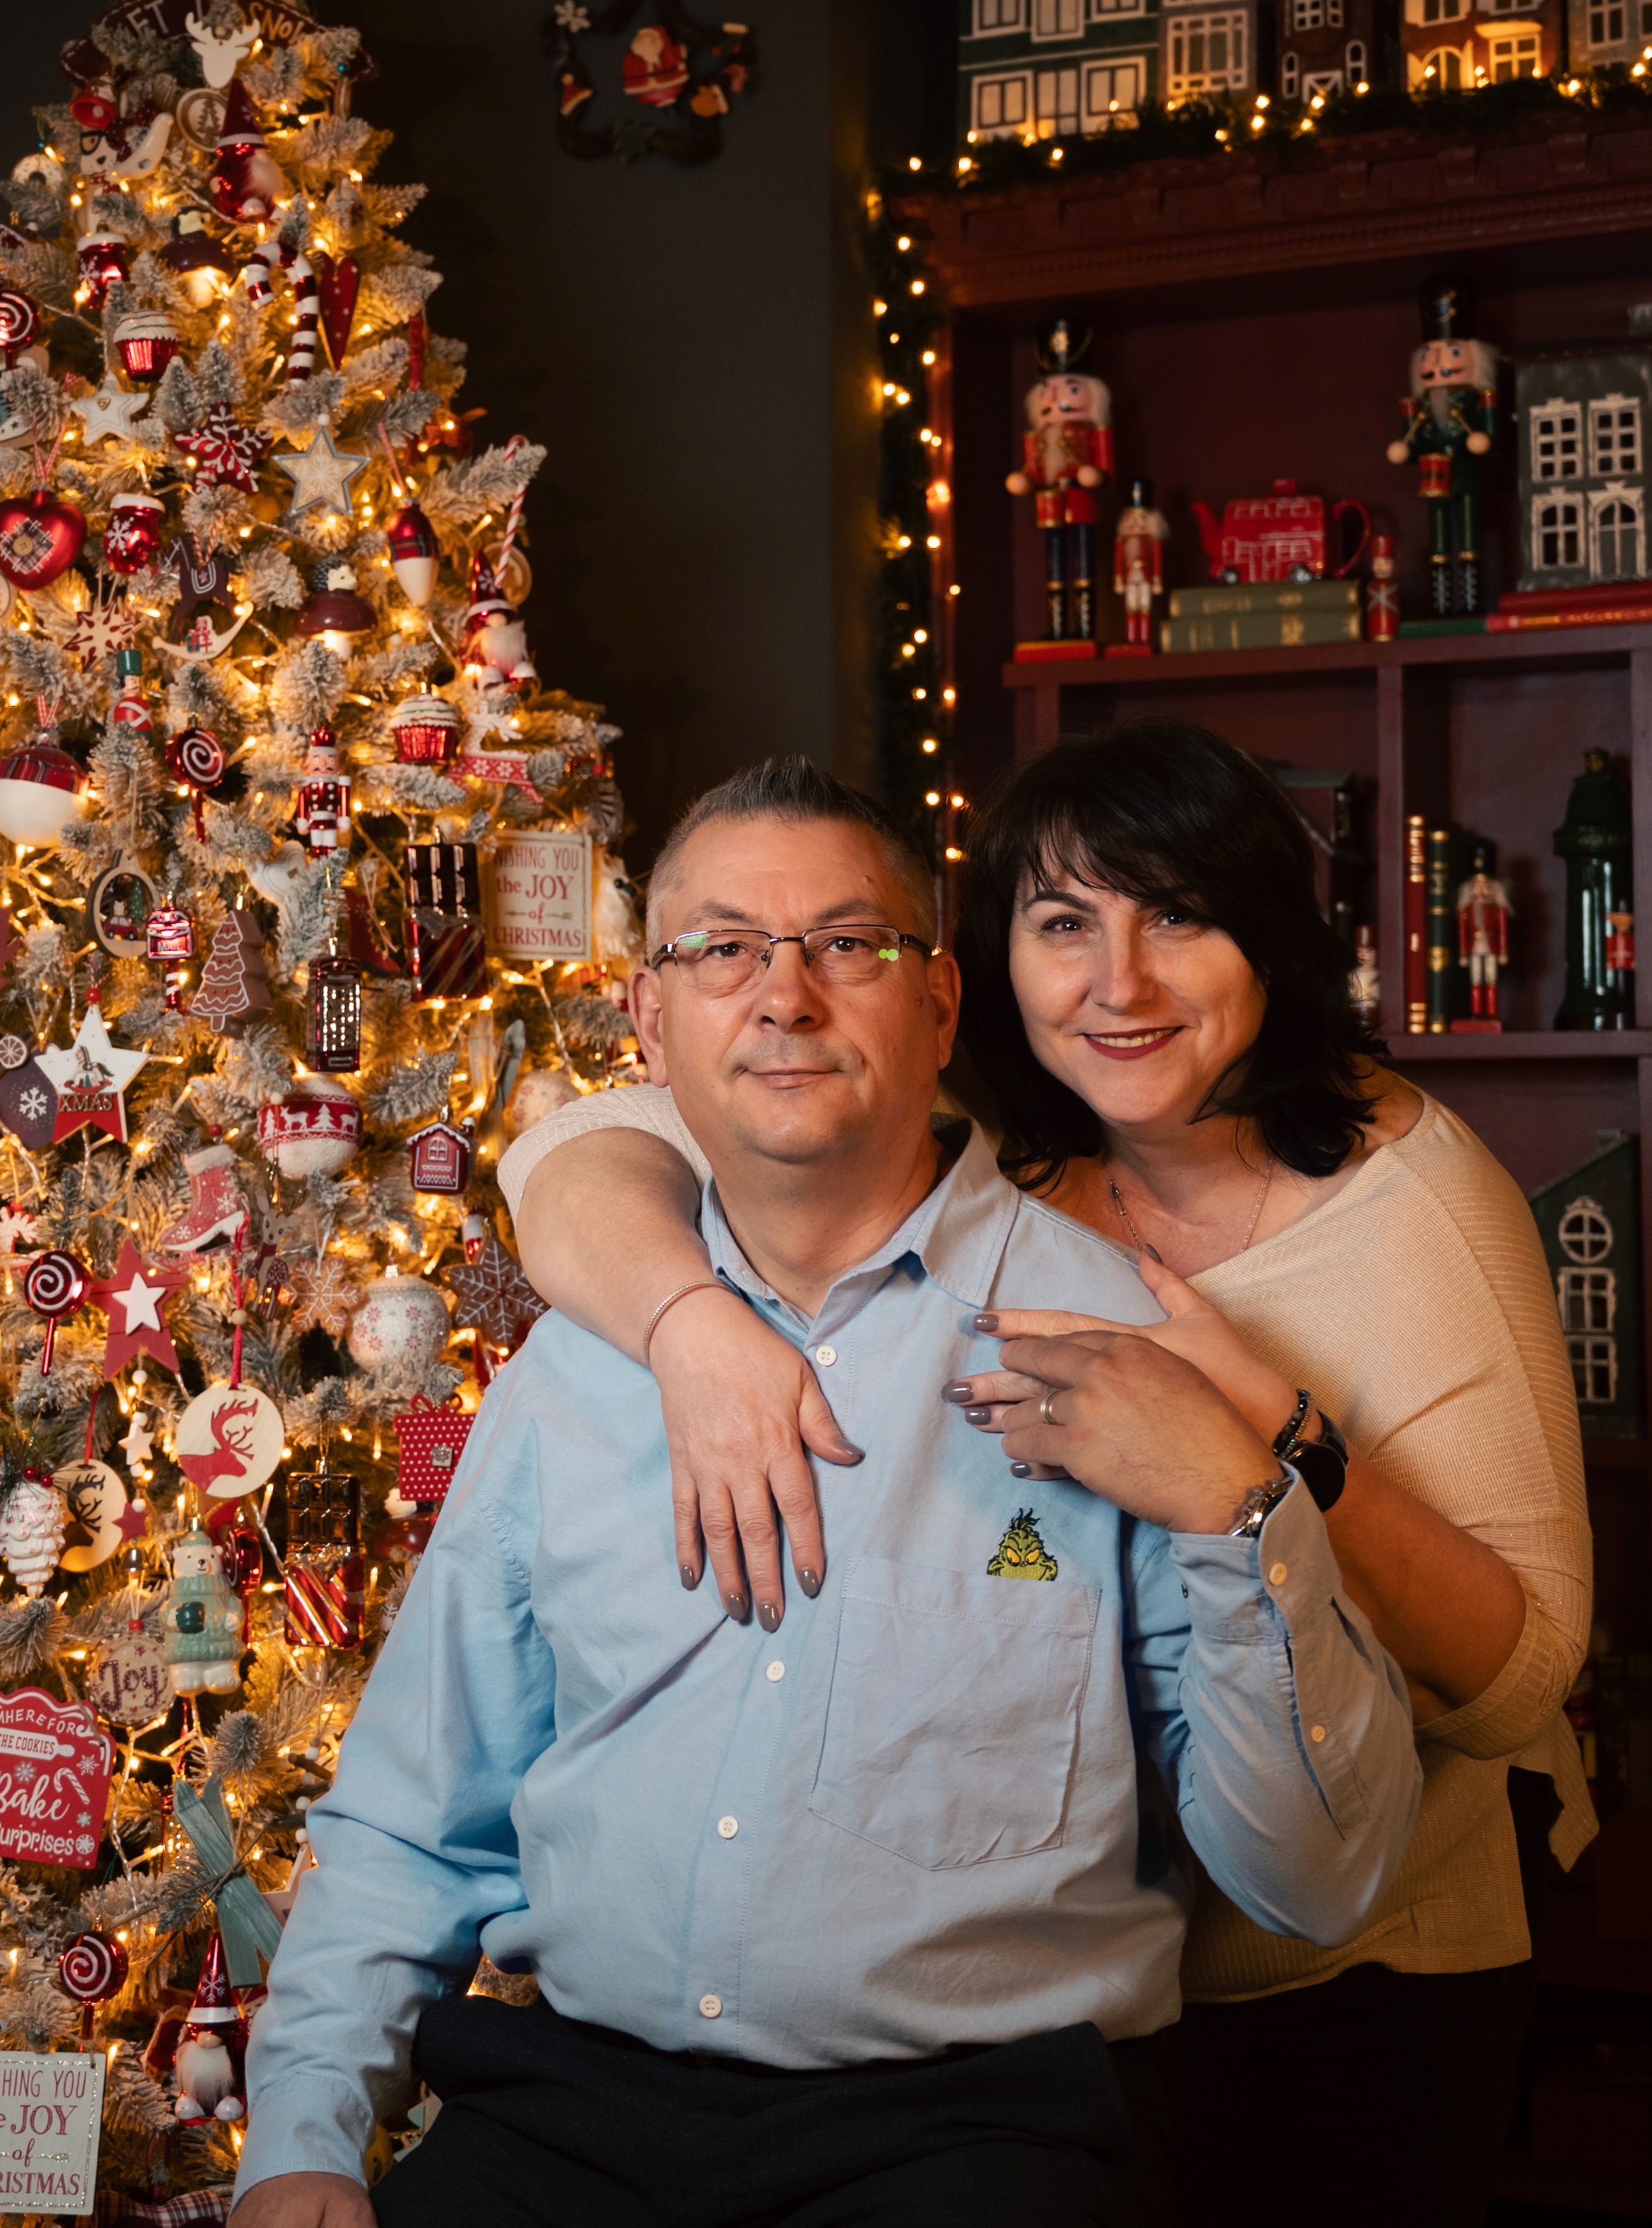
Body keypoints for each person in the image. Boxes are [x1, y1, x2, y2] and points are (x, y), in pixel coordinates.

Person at [234, 758, 1421, 2228]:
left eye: (846, 944)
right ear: (648, 1018)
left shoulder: (1119, 1349)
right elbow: (413, 1812)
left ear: (939, 1000)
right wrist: (299, 2139)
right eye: (723, 949)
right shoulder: (575, 1367)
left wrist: (1241, 1508)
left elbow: (1316, 1880)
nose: (783, 997)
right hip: (567, 2113)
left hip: (968, 2133)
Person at [506, 725, 1593, 2228]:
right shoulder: (991, 1140)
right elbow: (574, 1148)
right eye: (1063, 923)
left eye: (1178, 916)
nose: (1116, 983)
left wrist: (1261, 1435)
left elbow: (1526, 1670)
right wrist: (686, 1320)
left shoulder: (1417, 1204)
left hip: (1349, 1962)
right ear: (983, 969)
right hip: (1051, 2010)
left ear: (1268, 939)